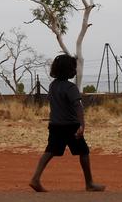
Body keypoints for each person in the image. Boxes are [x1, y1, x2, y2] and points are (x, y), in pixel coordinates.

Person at [30, 54, 105, 193]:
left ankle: (35, 178)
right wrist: (82, 125)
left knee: (50, 150)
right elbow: (78, 106)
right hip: (71, 126)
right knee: (83, 151)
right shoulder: (71, 88)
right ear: (69, 70)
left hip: (55, 125)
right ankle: (89, 183)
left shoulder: (53, 86)